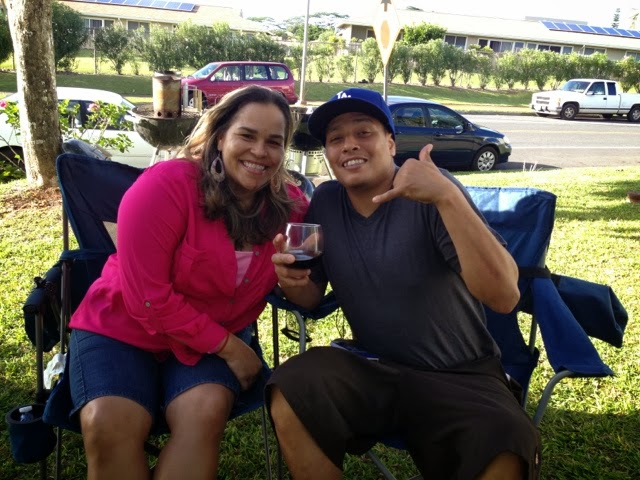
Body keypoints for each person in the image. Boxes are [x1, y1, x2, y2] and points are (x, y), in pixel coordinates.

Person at [268, 88, 541, 480]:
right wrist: (292, 281)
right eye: (336, 138)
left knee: (509, 440)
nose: (349, 145)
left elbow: (503, 297)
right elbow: (311, 296)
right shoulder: (326, 202)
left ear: (391, 143)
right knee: (290, 386)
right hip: (373, 368)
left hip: (459, 374)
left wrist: (446, 197)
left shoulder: (432, 192)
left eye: (364, 132)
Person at [67, 85, 308, 480]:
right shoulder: (167, 185)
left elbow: (311, 274)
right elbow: (146, 298)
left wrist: (296, 279)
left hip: (214, 335)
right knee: (108, 422)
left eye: (274, 142)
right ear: (220, 137)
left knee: (205, 410)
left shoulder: (292, 208)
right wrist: (231, 348)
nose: (260, 151)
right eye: (247, 135)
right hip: (123, 328)